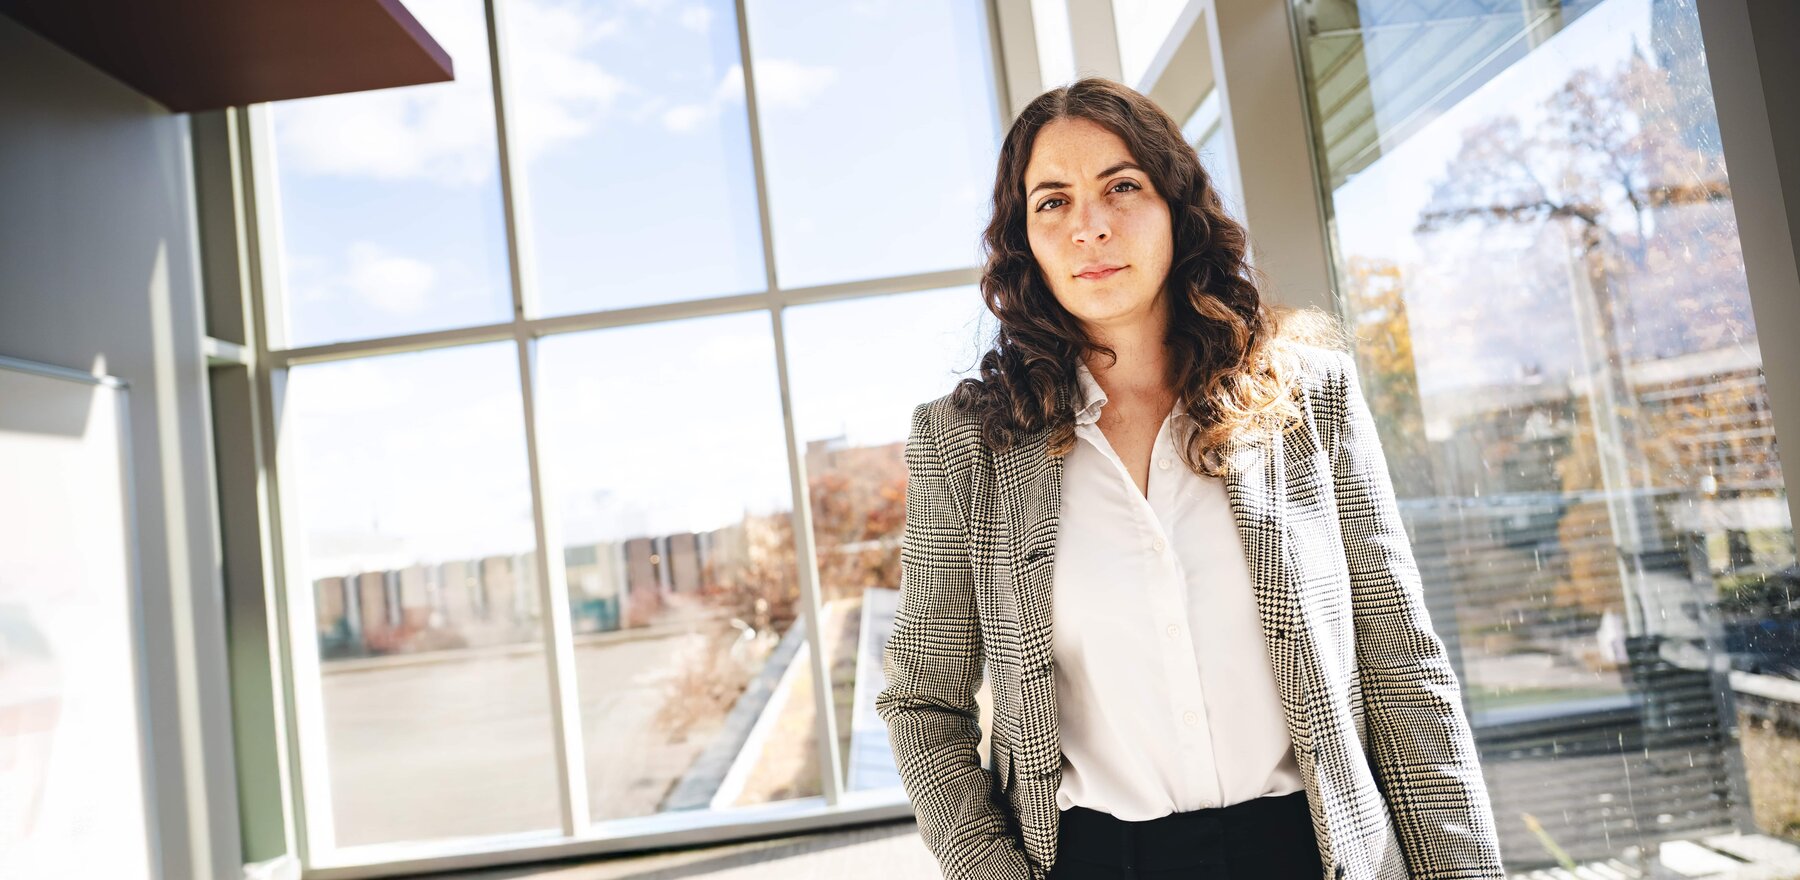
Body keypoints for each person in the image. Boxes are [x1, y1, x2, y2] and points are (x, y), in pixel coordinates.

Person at [875, 77, 1505, 880]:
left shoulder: (1312, 398)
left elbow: (1401, 669)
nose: (1089, 227)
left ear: (1178, 205)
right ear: (1023, 239)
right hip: (1099, 858)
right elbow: (924, 703)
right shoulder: (964, 445)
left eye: (1122, 187)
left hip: (1314, 853)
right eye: (1053, 202)